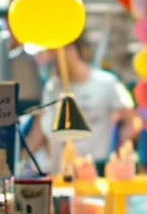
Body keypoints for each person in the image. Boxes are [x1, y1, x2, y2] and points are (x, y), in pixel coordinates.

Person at [28, 39, 138, 170]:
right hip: (61, 172)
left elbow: (132, 120)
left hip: (94, 169)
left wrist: (121, 153)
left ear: (68, 50)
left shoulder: (106, 83)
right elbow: (40, 130)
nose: (45, 60)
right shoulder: (52, 88)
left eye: (50, 53)